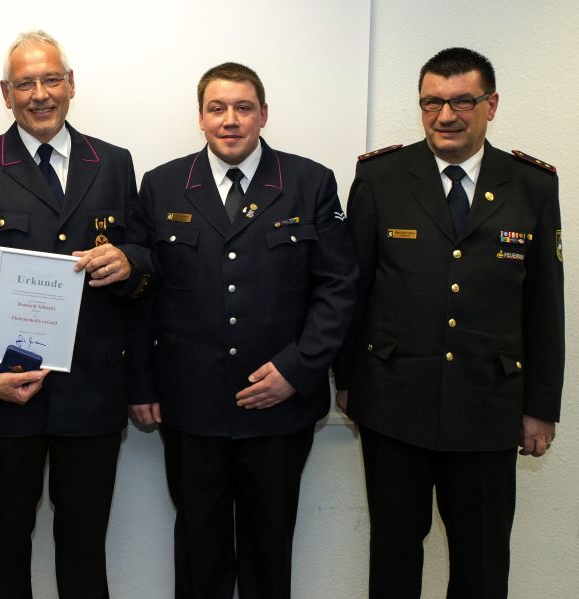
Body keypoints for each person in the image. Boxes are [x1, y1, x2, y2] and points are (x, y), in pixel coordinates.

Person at [0, 30, 153, 599]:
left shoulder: (115, 162)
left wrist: (128, 262)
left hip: (92, 393)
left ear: (71, 84)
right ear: (5, 94)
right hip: (4, 393)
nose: (39, 94)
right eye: (24, 83)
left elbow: (148, 259)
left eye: (50, 79)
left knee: (85, 553)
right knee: (4, 553)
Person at [333, 47, 563, 599]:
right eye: (432, 102)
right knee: (393, 553)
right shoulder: (381, 176)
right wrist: (347, 382)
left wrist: (540, 407)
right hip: (393, 402)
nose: (446, 115)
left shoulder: (531, 184)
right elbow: (352, 288)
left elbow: (545, 303)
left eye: (463, 101)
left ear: (491, 105)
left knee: (482, 560)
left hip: (489, 406)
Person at [129, 62, 358, 599]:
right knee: (198, 555)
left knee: (269, 554)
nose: (230, 120)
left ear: (263, 115)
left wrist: (298, 371)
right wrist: (140, 383)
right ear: (201, 118)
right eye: (217, 108)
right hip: (192, 407)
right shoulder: (162, 185)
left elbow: (338, 288)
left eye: (243, 107)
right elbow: (143, 294)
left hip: (278, 407)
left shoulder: (310, 182)